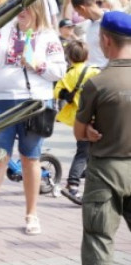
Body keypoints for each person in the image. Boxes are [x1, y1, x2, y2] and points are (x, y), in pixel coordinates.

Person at [0, 0, 66, 239]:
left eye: (27, 8)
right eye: (19, 8)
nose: (21, 13)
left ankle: (31, 214)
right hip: (0, 101)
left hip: (33, 103)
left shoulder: (48, 36)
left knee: (30, 158)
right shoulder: (3, 32)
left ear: (37, 10)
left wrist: (38, 64)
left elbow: (59, 70)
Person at [74, 11, 131, 265]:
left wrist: (91, 131)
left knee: (99, 242)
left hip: (105, 171)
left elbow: (80, 132)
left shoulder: (98, 83)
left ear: (106, 40)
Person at [53, 40, 100, 206]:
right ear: (87, 55)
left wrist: (67, 94)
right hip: (94, 118)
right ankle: (72, 183)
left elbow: (57, 92)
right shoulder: (94, 72)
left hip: (77, 118)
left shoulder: (68, 73)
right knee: (84, 152)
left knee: (86, 149)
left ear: (69, 57)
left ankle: (87, 174)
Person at [71, 0, 108, 68]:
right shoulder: (87, 25)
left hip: (107, 71)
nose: (79, 15)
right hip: (92, 72)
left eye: (78, 12)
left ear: (82, 8)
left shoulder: (110, 22)